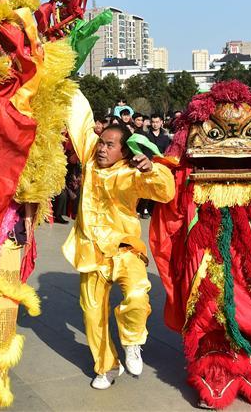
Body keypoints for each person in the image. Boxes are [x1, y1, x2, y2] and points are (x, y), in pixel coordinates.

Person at [62, 93, 175, 390]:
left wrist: (152, 169)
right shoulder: (89, 159)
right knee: (91, 313)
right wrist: (63, 80)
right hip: (91, 252)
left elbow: (165, 192)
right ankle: (107, 366)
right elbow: (81, 121)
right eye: (102, 142)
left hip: (125, 251)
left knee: (138, 293)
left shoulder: (130, 174)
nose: (102, 148)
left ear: (123, 152)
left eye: (110, 145)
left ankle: (132, 341)